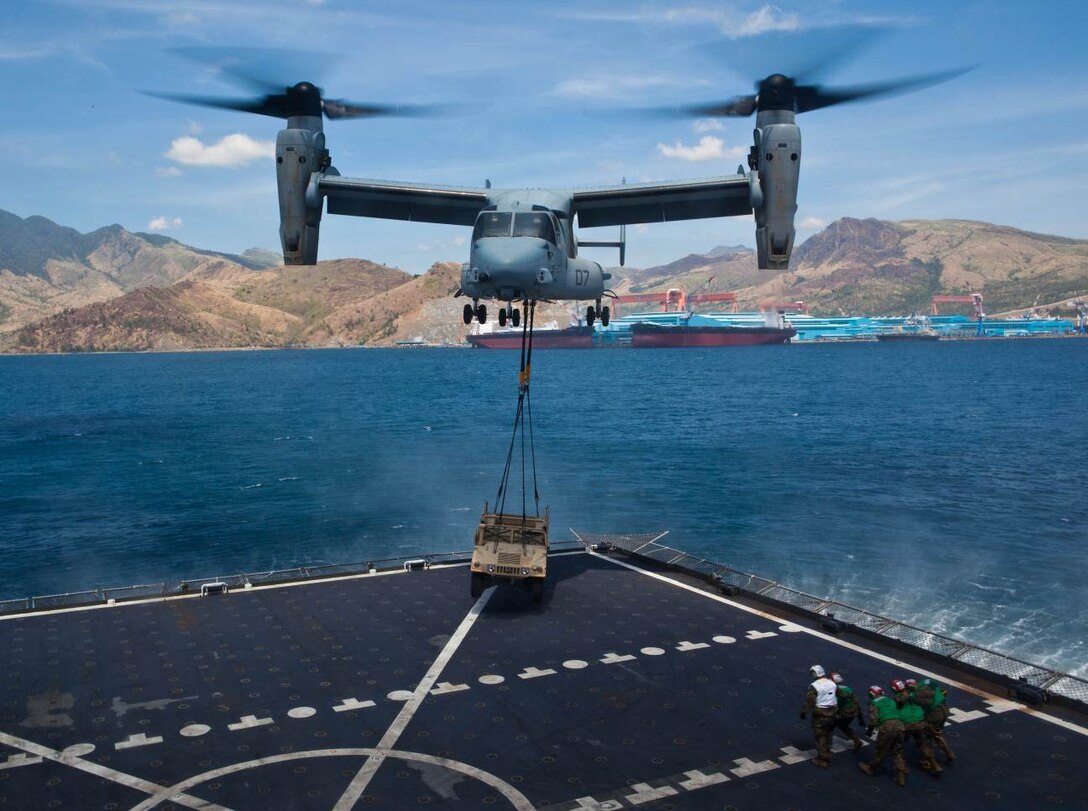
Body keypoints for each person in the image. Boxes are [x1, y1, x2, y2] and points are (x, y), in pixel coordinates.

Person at [859, 685, 908, 786]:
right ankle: (901, 776)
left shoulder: (873, 703)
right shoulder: (891, 700)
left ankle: (871, 768)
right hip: (901, 725)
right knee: (897, 751)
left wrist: (870, 730)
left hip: (888, 726)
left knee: (881, 749)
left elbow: (873, 720)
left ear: (871, 694)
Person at [892, 678, 941, 774]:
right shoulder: (915, 694)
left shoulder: (898, 698)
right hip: (920, 721)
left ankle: (902, 769)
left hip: (908, 724)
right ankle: (935, 765)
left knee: (898, 745)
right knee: (923, 743)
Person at [799, 664, 838, 767]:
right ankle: (828, 751)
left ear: (814, 673)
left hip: (820, 714)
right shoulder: (832, 683)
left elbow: (810, 702)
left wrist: (803, 712)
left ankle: (822, 758)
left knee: (820, 736)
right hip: (833, 712)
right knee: (829, 733)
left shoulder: (814, 686)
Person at [913, 677, 956, 764]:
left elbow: (925, 704)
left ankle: (929, 760)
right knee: (937, 733)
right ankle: (949, 753)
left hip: (935, 714)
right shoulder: (927, 682)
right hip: (944, 711)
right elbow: (944, 691)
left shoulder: (918, 692)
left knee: (925, 736)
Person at [830, 672, 864, 751]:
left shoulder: (835, 690)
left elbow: (835, 705)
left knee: (828, 726)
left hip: (844, 713)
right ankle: (857, 741)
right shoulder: (847, 688)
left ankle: (824, 746)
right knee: (843, 726)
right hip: (854, 713)